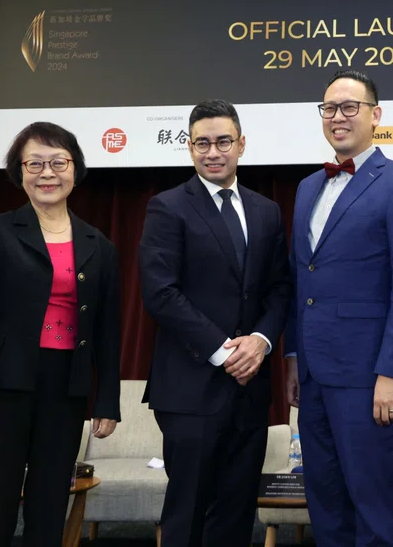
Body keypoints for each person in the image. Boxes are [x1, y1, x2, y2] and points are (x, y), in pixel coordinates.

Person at [0, 121, 121, 546]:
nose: (47, 174)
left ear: (75, 169)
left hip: (65, 390)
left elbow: (107, 329)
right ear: (19, 171)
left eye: (58, 162)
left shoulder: (98, 244)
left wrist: (107, 401)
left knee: (48, 512)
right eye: (35, 164)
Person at [283, 70, 393, 546]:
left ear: (376, 115)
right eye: (329, 108)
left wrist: (392, 371)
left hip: (368, 377)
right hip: (313, 374)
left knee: (373, 502)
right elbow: (300, 280)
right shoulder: (307, 187)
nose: (338, 117)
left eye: (350, 107)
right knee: (325, 502)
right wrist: (293, 356)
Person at [139, 99, 291, 547]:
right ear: (189, 148)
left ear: (241, 145)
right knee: (186, 514)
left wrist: (260, 341)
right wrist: (226, 353)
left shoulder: (266, 211)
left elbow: (280, 289)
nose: (213, 152)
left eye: (223, 141)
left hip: (250, 390)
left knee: (236, 515)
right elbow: (161, 293)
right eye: (202, 143)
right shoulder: (167, 207)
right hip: (190, 389)